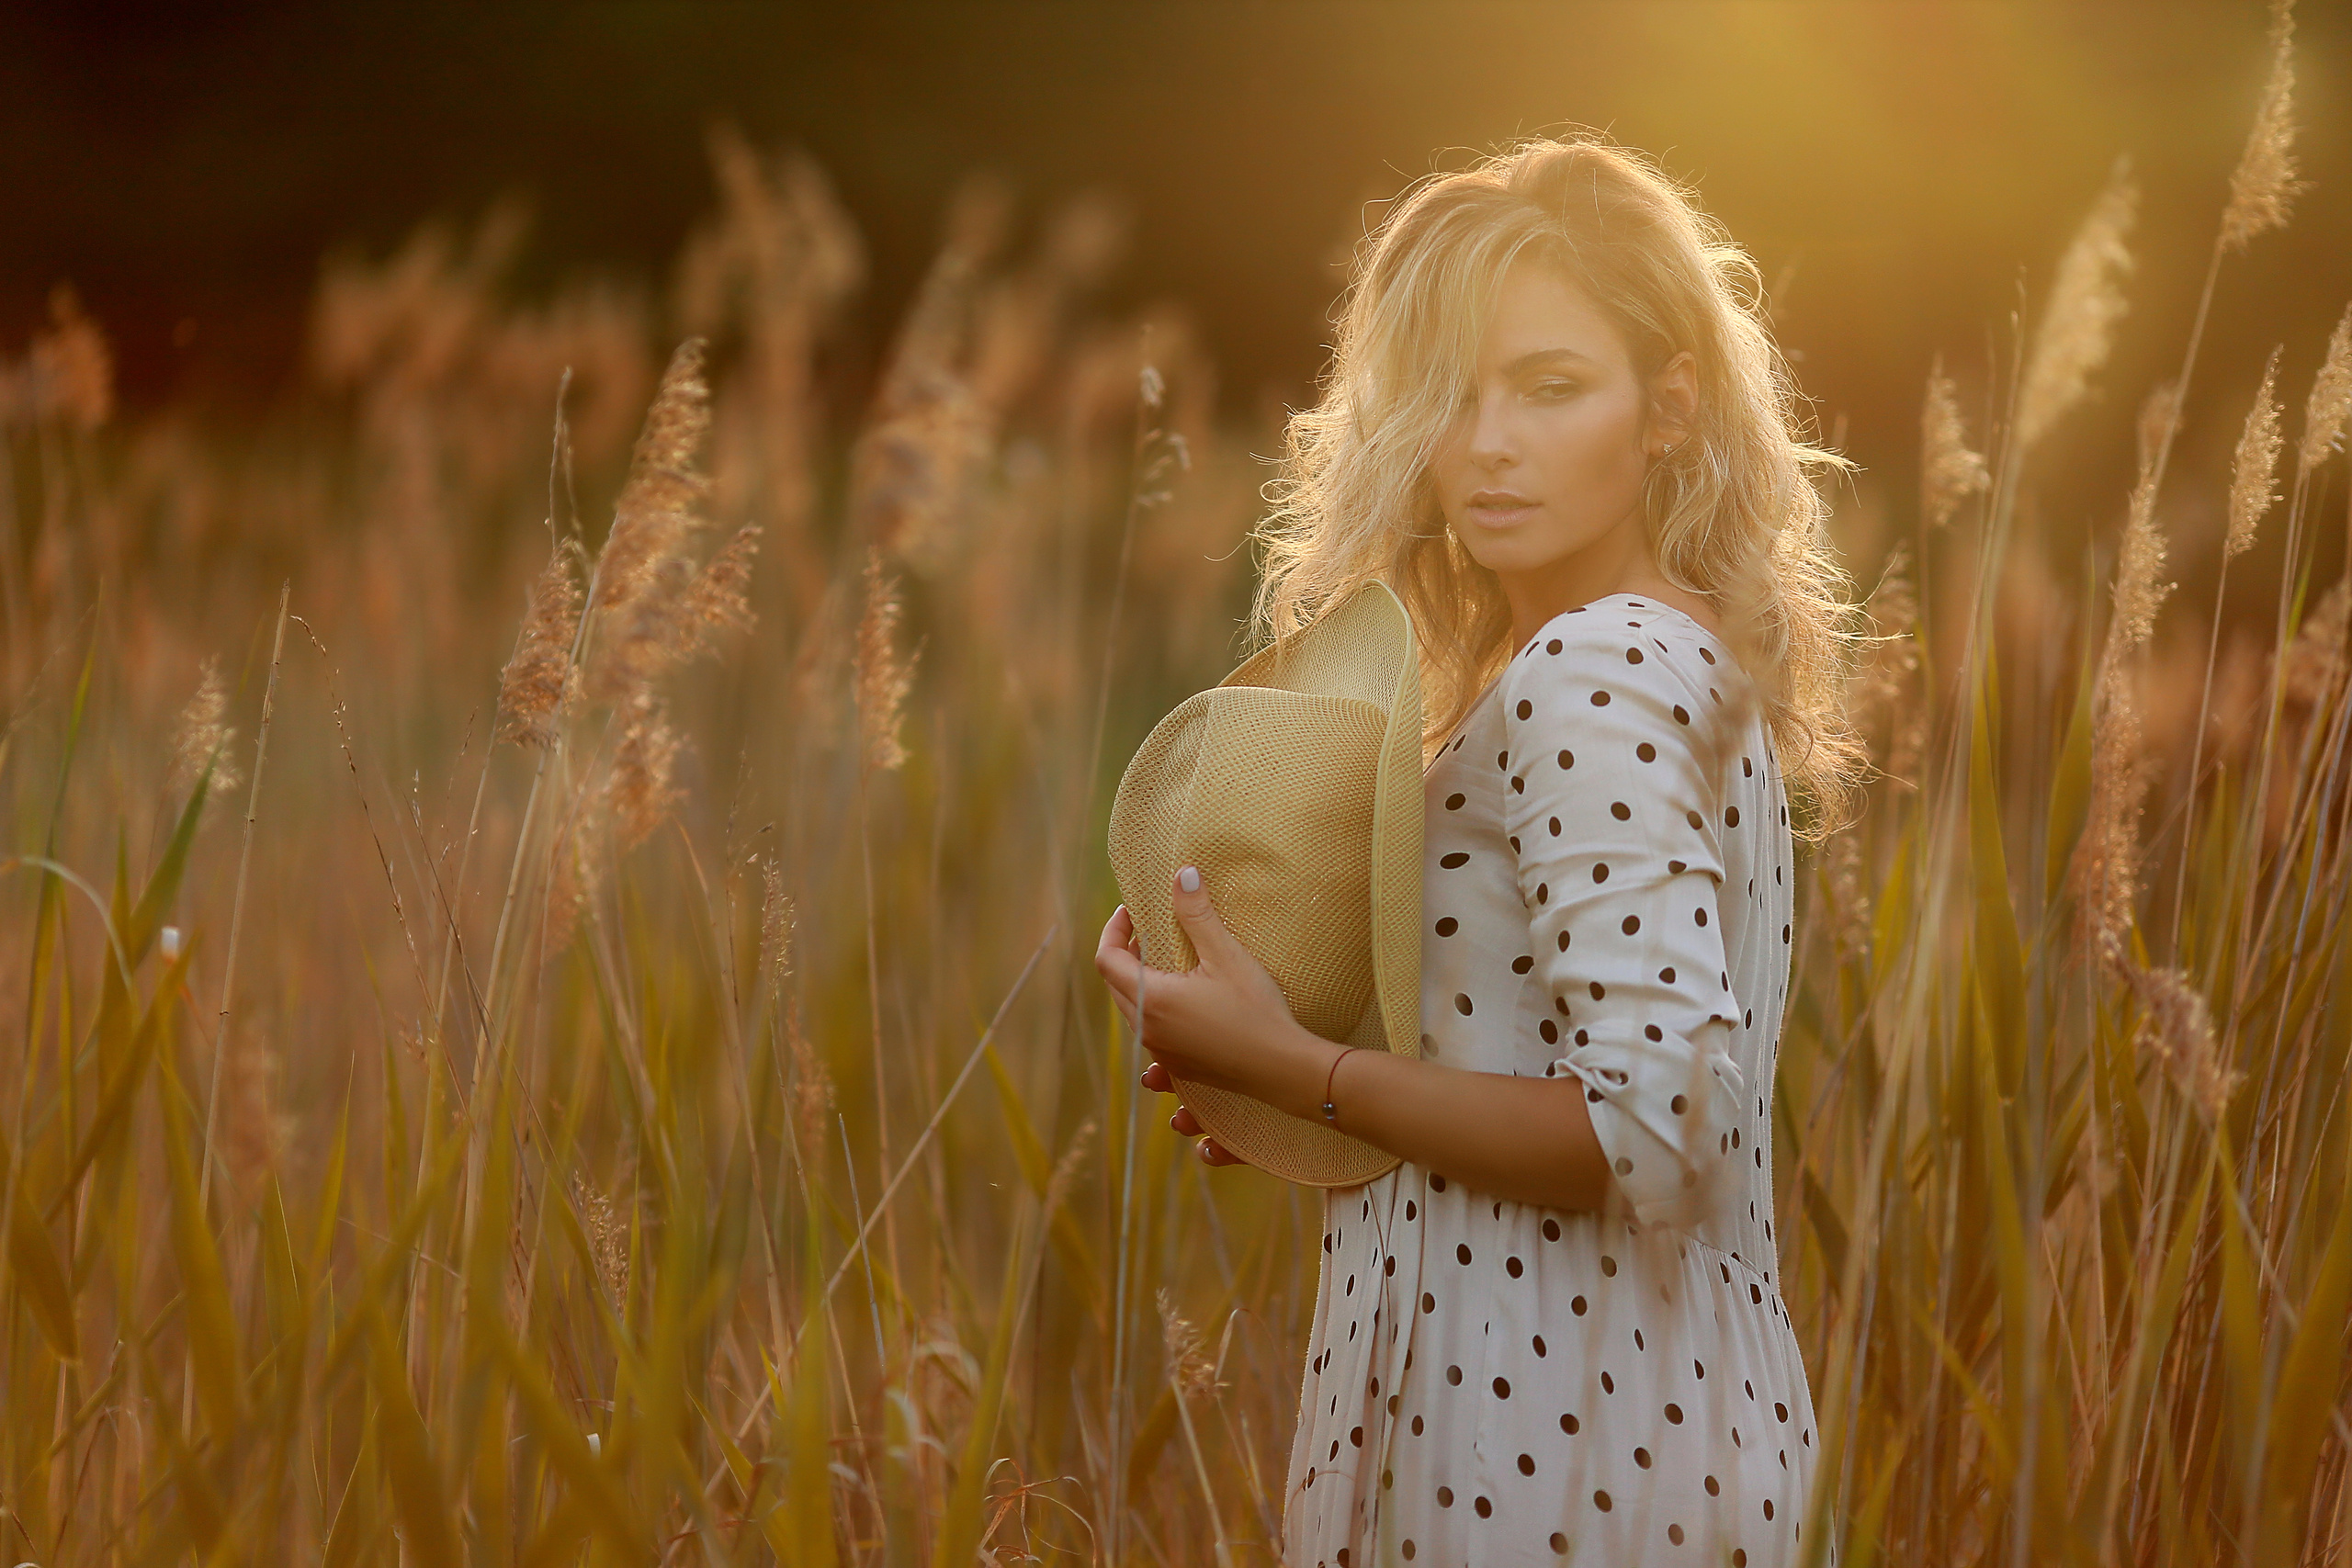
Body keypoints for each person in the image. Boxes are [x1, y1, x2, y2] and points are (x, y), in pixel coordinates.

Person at [1094, 131, 1866, 1566]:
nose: (1488, 441)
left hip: (1560, 1446)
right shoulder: (1611, 659)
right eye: (1451, 395)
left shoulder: (1601, 664)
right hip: (1586, 1420)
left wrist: (1303, 1072)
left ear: (1669, 410)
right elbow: (1558, 1077)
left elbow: (1655, 1133)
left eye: (1552, 388)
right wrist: (1311, 1091)